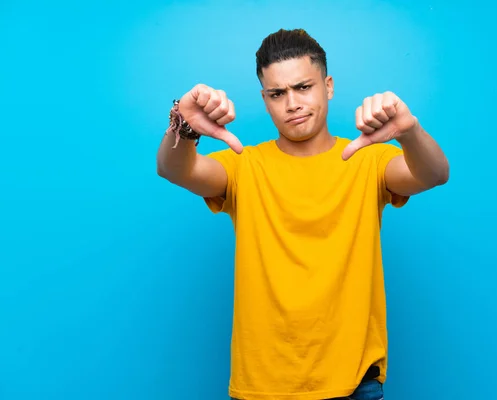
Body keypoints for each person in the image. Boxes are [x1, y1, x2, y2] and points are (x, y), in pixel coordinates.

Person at [157, 28, 449, 400]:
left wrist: (408, 132)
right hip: (262, 385)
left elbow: (434, 174)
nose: (292, 103)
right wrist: (182, 125)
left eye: (303, 87)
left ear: (327, 86)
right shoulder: (245, 167)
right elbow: (173, 169)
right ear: (265, 100)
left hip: (354, 381)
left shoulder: (369, 162)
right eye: (278, 94)